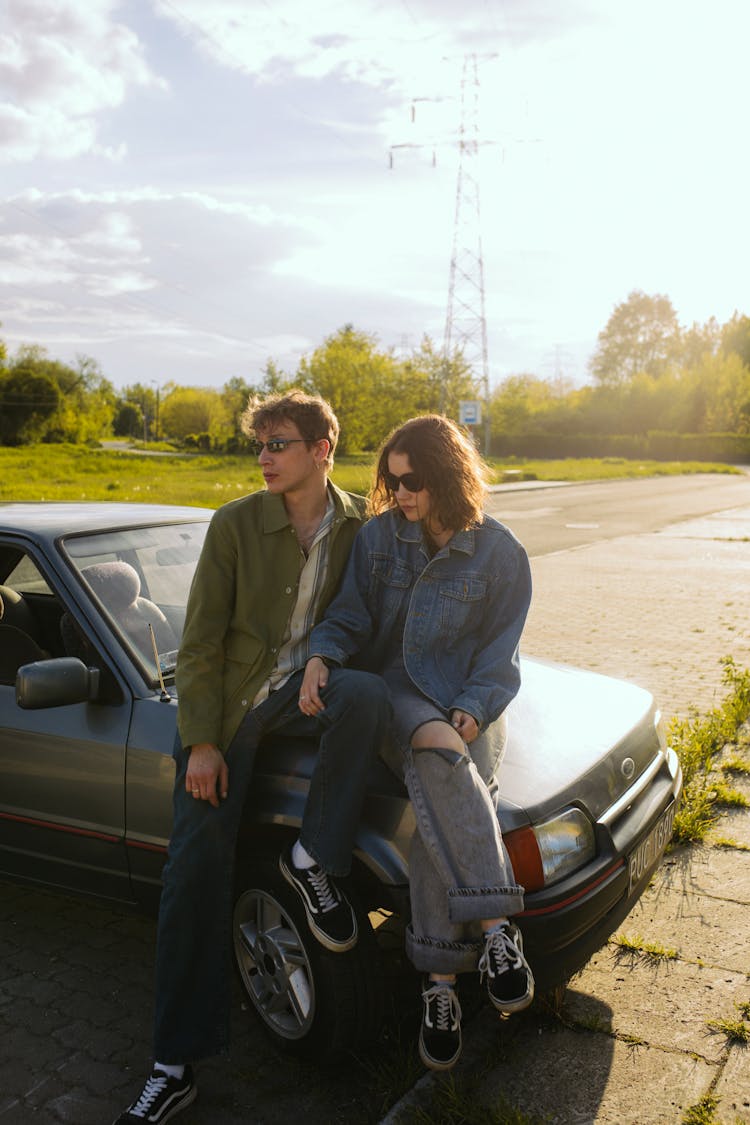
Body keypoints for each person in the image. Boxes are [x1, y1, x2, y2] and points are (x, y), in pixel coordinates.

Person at [115, 391, 390, 1125]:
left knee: (364, 694)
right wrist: (202, 742)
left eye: (279, 442)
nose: (264, 456)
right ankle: (174, 1064)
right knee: (193, 871)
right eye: (260, 444)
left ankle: (314, 861)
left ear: (322, 447)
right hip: (234, 707)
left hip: (309, 694)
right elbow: (199, 643)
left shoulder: (366, 523)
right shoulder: (236, 523)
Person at [299, 413, 534, 1072]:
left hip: (470, 708)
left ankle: (440, 988)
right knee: (436, 749)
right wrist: (324, 655)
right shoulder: (380, 539)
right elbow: (348, 615)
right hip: (395, 692)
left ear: (450, 476)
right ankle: (496, 930)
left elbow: (499, 657)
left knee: (440, 797)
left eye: (414, 480)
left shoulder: (501, 554)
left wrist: (473, 709)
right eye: (391, 479)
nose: (400, 493)